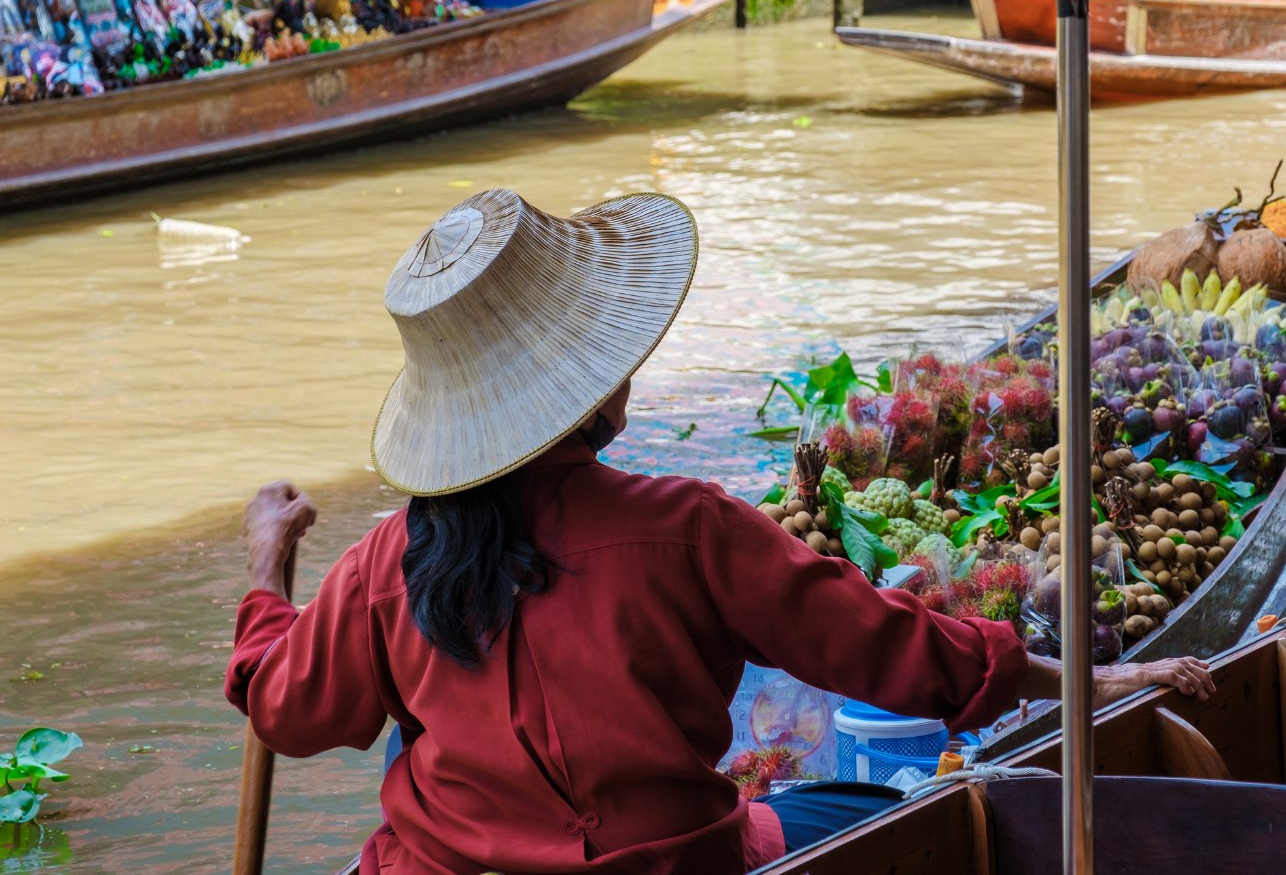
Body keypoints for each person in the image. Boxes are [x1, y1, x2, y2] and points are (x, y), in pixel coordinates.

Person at [226, 189, 1215, 875]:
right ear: (592, 390)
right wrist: (1086, 682)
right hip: (669, 863)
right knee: (894, 819)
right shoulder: (685, 529)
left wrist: (267, 560)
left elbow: (286, 711)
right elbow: (893, 652)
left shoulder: (382, 564)